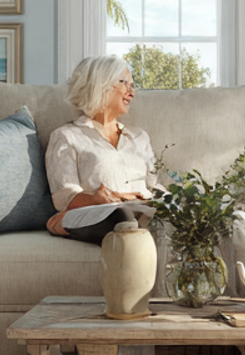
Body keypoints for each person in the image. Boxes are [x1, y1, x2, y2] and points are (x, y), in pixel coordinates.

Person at [44, 55, 163, 243]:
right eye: (124, 83)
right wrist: (94, 199)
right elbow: (64, 198)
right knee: (122, 216)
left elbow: (154, 185)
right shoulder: (66, 136)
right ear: (100, 85)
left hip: (144, 210)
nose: (131, 92)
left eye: (132, 85)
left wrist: (179, 202)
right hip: (103, 215)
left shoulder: (139, 137)